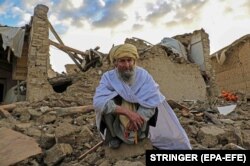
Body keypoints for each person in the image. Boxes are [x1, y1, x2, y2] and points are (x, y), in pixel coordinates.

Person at [93, 43, 191, 149]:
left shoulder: (143, 76)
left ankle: (141, 135)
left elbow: (153, 100)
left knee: (151, 104)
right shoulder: (108, 78)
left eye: (129, 60)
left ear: (134, 61)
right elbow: (98, 102)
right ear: (115, 63)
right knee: (104, 106)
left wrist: (137, 119)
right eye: (122, 61)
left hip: (139, 121)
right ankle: (114, 136)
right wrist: (128, 113)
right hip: (118, 121)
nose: (127, 65)